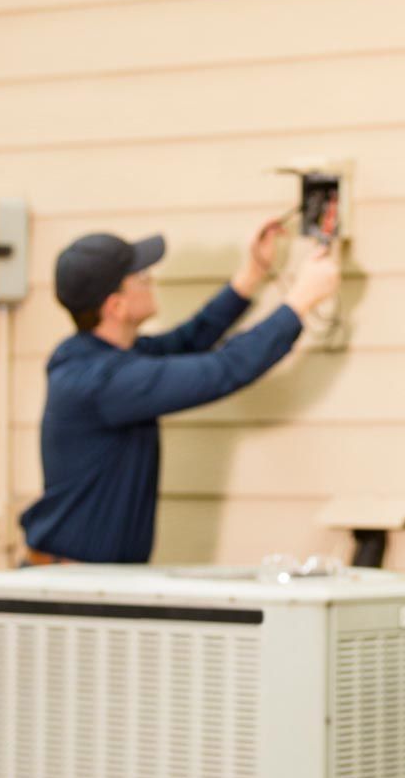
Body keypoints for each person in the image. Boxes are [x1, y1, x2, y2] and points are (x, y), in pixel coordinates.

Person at [19, 219, 339, 564]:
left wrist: (253, 272)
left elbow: (189, 341)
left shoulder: (98, 358)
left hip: (88, 578)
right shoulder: (101, 381)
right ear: (116, 307)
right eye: (140, 277)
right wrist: (300, 301)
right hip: (67, 586)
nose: (151, 280)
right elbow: (223, 370)